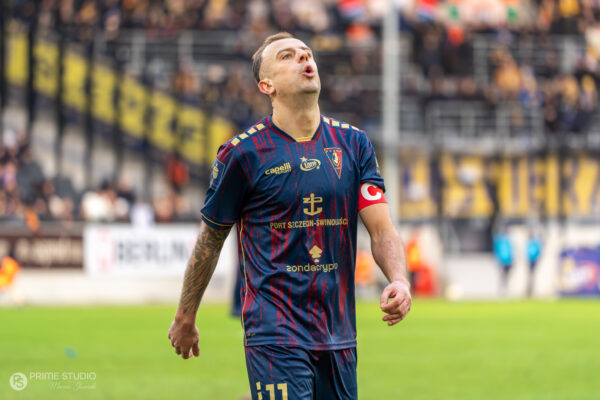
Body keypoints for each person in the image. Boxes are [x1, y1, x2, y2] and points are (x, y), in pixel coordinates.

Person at [168, 32, 412, 400]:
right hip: (274, 331)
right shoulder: (242, 154)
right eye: (287, 56)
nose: (303, 58)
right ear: (266, 85)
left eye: (306, 53)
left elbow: (382, 230)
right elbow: (210, 240)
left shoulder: (354, 144)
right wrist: (186, 316)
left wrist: (399, 279)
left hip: (339, 333)